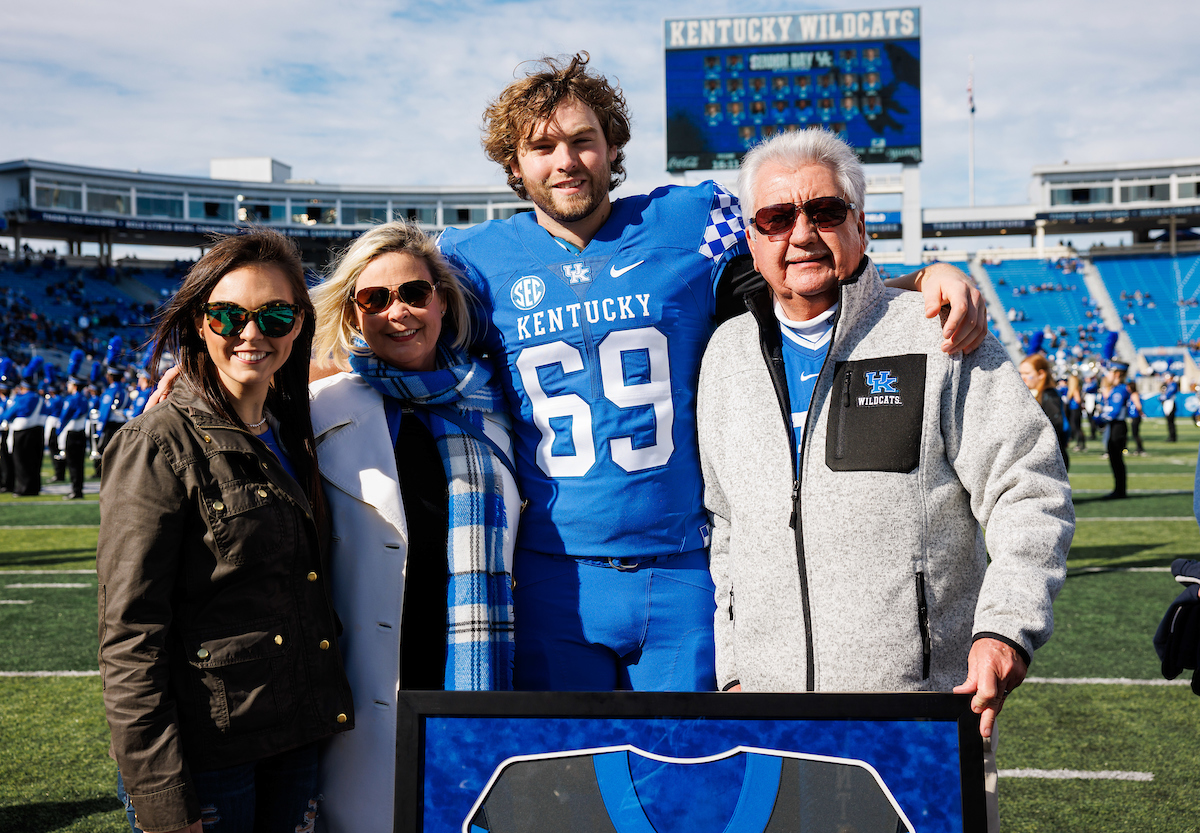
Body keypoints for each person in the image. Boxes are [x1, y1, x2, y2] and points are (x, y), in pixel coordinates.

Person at [436, 52, 988, 693]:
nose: (566, 160)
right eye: (543, 146)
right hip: (553, 575)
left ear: (611, 146)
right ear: (513, 164)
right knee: (566, 778)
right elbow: (384, 316)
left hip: (684, 568)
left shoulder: (690, 219)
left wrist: (920, 278)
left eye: (583, 140)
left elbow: (803, 261)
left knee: (692, 775)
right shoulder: (471, 261)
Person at [696, 129, 1072, 833]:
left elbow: (1030, 486)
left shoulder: (938, 333)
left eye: (826, 212)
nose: (801, 234)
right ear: (751, 237)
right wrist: (735, 666)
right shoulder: (724, 355)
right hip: (771, 727)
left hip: (920, 715)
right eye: (776, 218)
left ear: (861, 224)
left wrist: (1003, 629)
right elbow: (725, 527)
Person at [97, 229, 354, 833]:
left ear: (298, 327)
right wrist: (162, 797)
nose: (251, 333)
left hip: (295, 734)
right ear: (198, 322)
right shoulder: (157, 443)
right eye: (228, 316)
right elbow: (131, 636)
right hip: (210, 753)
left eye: (275, 315)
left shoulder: (293, 427)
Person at [308, 221, 521, 833]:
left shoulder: (497, 403)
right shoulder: (321, 408)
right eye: (374, 298)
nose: (397, 311)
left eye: (413, 293)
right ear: (353, 313)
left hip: (475, 671)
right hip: (362, 691)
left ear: (442, 300)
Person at [1019, 353, 1069, 469]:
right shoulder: (1036, 393)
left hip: (1051, 459)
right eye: (1021, 373)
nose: (1022, 377)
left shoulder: (1049, 395)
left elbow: (1057, 425)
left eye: (1027, 373)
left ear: (1041, 374)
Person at [0, 374, 47, 495]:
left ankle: (23, 488)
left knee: (21, 461)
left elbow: (7, 415)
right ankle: (34, 487)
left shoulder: (21, 399)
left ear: (23, 387)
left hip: (22, 432)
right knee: (35, 461)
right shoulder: (40, 399)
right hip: (38, 431)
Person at [1096, 362, 1131, 499]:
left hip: (1118, 426)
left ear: (1117, 374)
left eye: (1110, 372)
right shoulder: (1115, 389)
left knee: (1116, 458)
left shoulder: (1120, 389)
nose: (1107, 375)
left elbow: (1114, 412)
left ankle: (1120, 490)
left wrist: (1100, 419)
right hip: (1114, 425)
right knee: (1114, 458)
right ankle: (1118, 489)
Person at [1066, 374, 1086, 452]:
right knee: (1076, 427)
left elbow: (1078, 399)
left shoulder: (1074, 389)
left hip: (1075, 409)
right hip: (1074, 409)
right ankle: (1080, 444)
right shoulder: (1075, 388)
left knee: (1077, 427)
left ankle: (1080, 444)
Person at [1127, 379, 1145, 455]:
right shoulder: (1132, 394)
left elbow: (1138, 405)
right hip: (1133, 416)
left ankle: (1140, 448)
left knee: (1135, 433)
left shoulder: (1134, 394)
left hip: (1136, 416)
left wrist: (1140, 412)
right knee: (1134, 433)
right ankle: (1139, 448)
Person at [1161, 373, 1179, 441]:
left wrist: (1162, 397)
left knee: (1170, 421)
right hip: (1168, 403)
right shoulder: (1167, 385)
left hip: (1171, 403)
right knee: (1169, 421)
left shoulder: (1172, 384)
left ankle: (1172, 437)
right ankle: (1171, 436)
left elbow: (1168, 394)